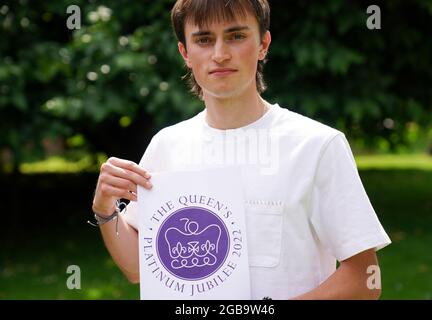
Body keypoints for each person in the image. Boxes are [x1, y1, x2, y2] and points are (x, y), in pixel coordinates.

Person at [91, 0, 391, 300]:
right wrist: (105, 208)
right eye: (204, 40)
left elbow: (365, 280)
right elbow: (138, 270)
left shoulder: (316, 145)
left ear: (263, 44)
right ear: (185, 53)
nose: (220, 54)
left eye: (236, 36)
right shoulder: (168, 145)